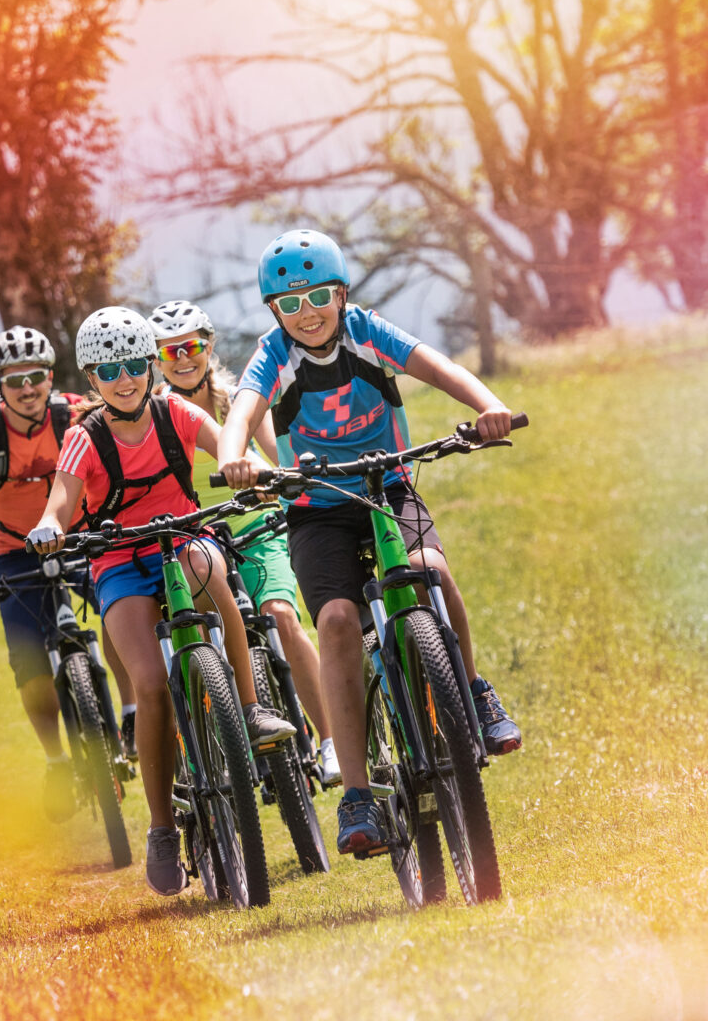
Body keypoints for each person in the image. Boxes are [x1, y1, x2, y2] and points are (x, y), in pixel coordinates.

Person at [216, 229, 524, 857]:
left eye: (319, 297)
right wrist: (233, 458)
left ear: (342, 293)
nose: (307, 313)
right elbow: (243, 410)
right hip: (316, 509)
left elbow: (438, 367)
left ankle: (471, 689)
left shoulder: (366, 329)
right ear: (274, 312)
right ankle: (356, 795)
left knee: (431, 571)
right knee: (333, 621)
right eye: (289, 304)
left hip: (389, 488)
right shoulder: (273, 354)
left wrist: (490, 407)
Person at [28, 307, 295, 897]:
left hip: (184, 540)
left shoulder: (175, 411)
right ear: (92, 379)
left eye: (134, 365)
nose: (124, 380)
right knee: (148, 685)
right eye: (109, 369)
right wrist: (49, 524)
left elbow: (223, 439)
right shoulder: (83, 436)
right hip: (118, 559)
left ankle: (248, 710)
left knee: (213, 574)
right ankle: (161, 829)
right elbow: (62, 498)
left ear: (152, 366)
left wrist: (246, 462)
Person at [147, 300, 342, 788]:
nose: (183, 358)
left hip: (254, 524)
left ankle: (332, 741)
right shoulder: (154, 415)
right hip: (194, 535)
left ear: (208, 345)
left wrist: (287, 477)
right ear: (156, 359)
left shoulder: (239, 398)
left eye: (192, 345)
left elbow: (279, 452)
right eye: (170, 351)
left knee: (279, 615)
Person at [0, 327, 136, 821]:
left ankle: (133, 712)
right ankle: (56, 761)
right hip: (15, 554)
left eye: (35, 377)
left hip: (81, 539)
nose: (27, 388)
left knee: (121, 611)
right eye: (15, 381)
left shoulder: (76, 413)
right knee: (30, 669)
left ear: (50, 377)